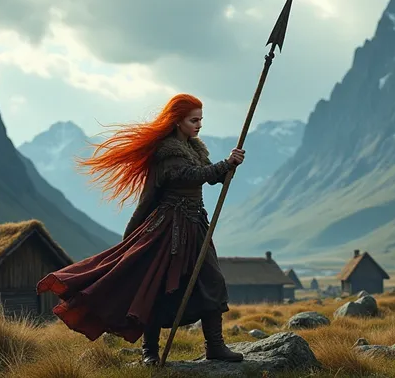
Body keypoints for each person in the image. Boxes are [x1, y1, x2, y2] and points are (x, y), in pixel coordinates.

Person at [36, 93, 246, 366]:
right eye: (194, 120)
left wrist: (230, 165)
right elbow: (188, 176)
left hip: (195, 227)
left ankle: (215, 347)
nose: (199, 125)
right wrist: (225, 165)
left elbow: (211, 177)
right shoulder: (167, 152)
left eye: (201, 120)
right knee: (157, 287)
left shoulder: (195, 149)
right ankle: (150, 351)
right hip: (168, 229)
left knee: (212, 281)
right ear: (177, 121)